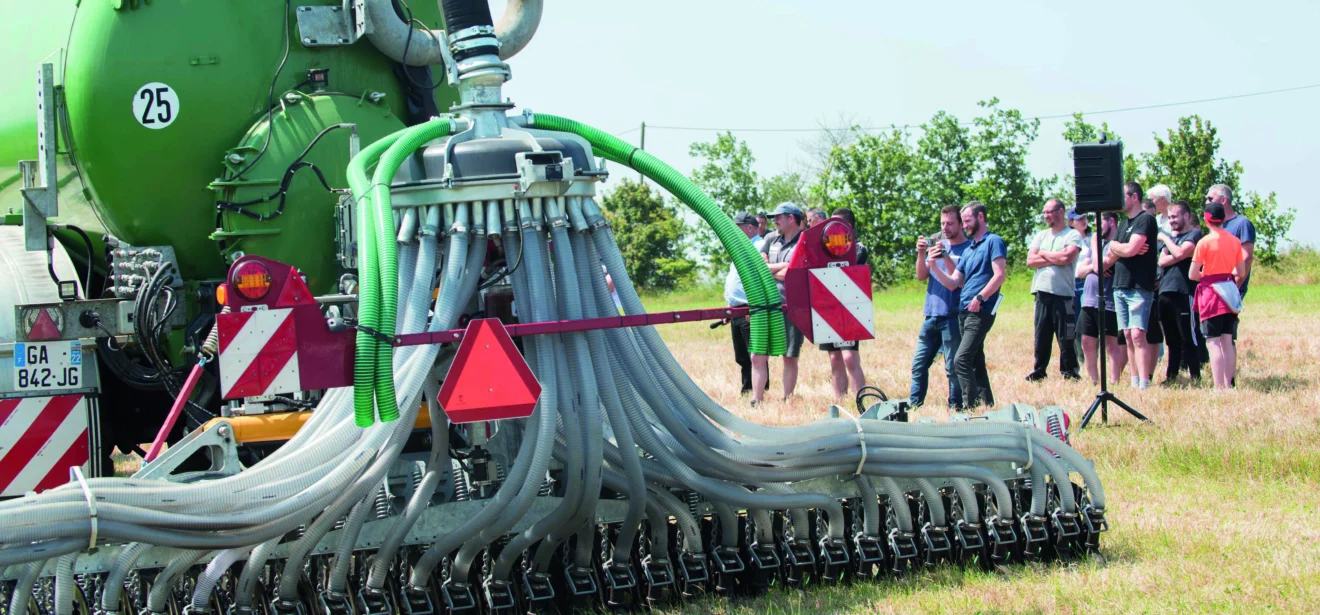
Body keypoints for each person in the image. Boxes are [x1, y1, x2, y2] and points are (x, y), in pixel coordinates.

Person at [927, 202, 1007, 410]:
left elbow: (999, 276)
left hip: (980, 310)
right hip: (964, 311)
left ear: (981, 217)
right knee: (975, 359)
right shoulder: (970, 250)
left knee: (960, 360)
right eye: (963, 221)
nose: (964, 225)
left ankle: (969, 407)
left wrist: (980, 298)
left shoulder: (993, 241)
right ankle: (987, 404)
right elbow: (954, 282)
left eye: (967, 221)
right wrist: (934, 265)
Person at [909, 205, 969, 409]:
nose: (945, 227)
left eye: (950, 223)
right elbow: (921, 275)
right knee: (918, 365)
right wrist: (921, 254)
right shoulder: (937, 245)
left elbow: (960, 280)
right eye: (943, 223)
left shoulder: (968, 249)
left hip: (952, 315)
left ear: (961, 224)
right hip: (931, 314)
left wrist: (945, 257)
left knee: (952, 368)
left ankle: (955, 407)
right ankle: (914, 405)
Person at [1104, 182, 1159, 390]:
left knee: (1138, 334)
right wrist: (1118, 247)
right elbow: (1113, 254)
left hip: (1138, 286)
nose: (1120, 201)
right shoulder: (1124, 226)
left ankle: (1144, 383)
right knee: (1127, 335)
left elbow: (1131, 250)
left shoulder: (1146, 220)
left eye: (1123, 196)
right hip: (1120, 286)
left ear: (1134, 197)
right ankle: (1134, 381)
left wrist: (1120, 249)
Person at [751, 202, 807, 402]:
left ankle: (787, 399)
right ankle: (756, 400)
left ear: (791, 218)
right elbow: (759, 269)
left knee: (789, 357)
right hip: (766, 305)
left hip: (792, 307)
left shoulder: (805, 241)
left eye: (778, 217)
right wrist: (784, 266)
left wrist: (771, 269)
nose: (774, 221)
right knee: (757, 356)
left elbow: (797, 275)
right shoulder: (770, 239)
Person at [1025, 198, 1084, 381]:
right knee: (1041, 335)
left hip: (1063, 294)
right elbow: (1030, 261)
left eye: (1049, 212)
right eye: (1044, 212)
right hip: (1042, 292)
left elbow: (1067, 257)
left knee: (1066, 336)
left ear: (1060, 212)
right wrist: (1054, 258)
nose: (1046, 216)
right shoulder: (1041, 235)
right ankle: (1039, 371)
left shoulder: (1072, 235)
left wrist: (1042, 254)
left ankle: (1070, 372)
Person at [1189, 202, 1247, 389]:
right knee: (1227, 341)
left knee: (1213, 342)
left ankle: (1218, 386)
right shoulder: (1234, 241)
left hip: (1211, 294)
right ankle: (1229, 384)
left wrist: (1206, 275)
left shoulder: (1204, 242)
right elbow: (1241, 271)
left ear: (1206, 219)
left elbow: (1192, 274)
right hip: (1229, 292)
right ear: (1223, 219)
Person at [820, 207, 868, 398]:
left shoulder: (857, 247)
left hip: (850, 307)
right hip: (827, 306)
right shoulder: (823, 249)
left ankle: (860, 400)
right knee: (834, 358)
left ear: (850, 226)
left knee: (849, 357)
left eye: (838, 224)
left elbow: (846, 268)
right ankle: (840, 401)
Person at [1155, 200, 1203, 384]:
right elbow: (1162, 261)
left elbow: (1182, 253)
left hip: (1184, 292)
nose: (1172, 220)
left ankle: (1195, 376)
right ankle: (1171, 376)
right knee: (1171, 339)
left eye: (1175, 216)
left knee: (1188, 336)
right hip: (1165, 292)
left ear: (1186, 216)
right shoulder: (1173, 238)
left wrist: (1166, 239)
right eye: (1170, 217)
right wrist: (1176, 252)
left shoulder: (1194, 234)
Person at [1078, 212, 1128, 384]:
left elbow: (1102, 266)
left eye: (1100, 223)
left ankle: (1114, 382)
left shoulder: (1117, 244)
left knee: (1110, 344)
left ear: (1111, 221)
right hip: (1088, 300)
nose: (1096, 228)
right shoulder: (1097, 244)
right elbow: (1078, 272)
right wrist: (1094, 266)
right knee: (1086, 341)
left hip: (1108, 302)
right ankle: (1094, 381)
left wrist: (1094, 264)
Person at [724, 212, 764, 395]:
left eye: (737, 227)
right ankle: (748, 388)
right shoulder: (741, 248)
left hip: (749, 307)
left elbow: (760, 279)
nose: (734, 231)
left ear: (749, 227)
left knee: (754, 353)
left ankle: (755, 389)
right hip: (736, 308)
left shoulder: (759, 246)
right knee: (741, 354)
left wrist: (753, 304)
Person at [1207, 184, 1256, 299]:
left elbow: (1246, 258)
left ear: (1223, 200)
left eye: (1210, 199)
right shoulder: (1214, 226)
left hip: (1230, 288)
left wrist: (1234, 288)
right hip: (1213, 286)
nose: (1207, 202)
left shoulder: (1242, 224)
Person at [1068, 208, 1092, 367]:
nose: (1083, 220)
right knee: (1073, 324)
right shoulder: (1068, 239)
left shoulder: (1092, 239)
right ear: (1071, 223)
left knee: (1087, 322)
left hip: (1087, 284)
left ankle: (1090, 358)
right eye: (1079, 219)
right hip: (1071, 283)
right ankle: (1078, 358)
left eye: (1084, 217)